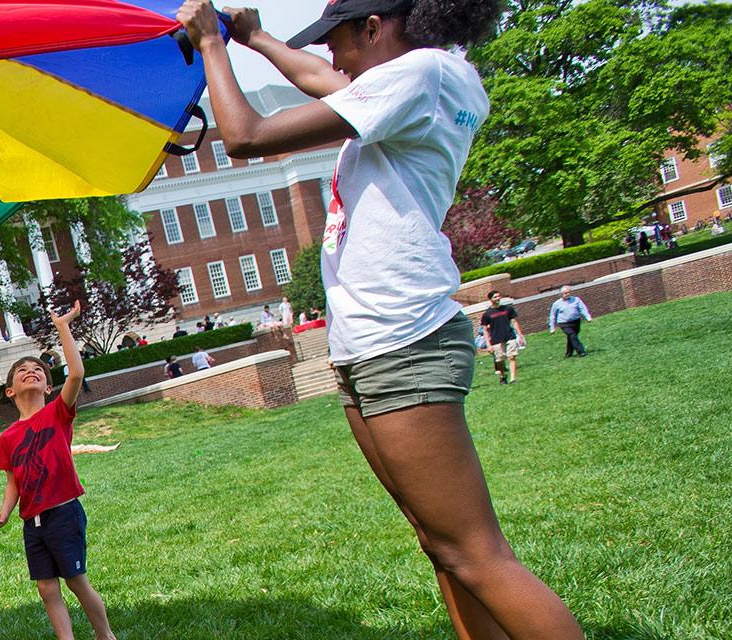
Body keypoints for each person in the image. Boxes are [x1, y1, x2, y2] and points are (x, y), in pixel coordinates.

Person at [176, 1, 584, 637]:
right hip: (374, 341)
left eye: (339, 40)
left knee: (476, 552)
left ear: (376, 26)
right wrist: (256, 37)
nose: (334, 57)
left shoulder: (420, 73)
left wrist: (212, 46)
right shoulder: (433, 79)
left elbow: (245, 136)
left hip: (402, 338)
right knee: (441, 544)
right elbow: (321, 78)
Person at [0, 302, 116, 640]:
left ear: (48, 387)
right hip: (33, 521)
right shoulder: (7, 437)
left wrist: (62, 327)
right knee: (46, 588)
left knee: (75, 581)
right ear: (10, 391)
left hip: (63, 513)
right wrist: (3, 513)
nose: (31, 371)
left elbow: (75, 374)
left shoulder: (58, 412)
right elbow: (13, 482)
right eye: (22, 371)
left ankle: (105, 635)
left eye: (39, 370)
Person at [479, 291, 523, 384]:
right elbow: (485, 330)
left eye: (499, 296)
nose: (498, 298)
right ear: (490, 299)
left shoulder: (507, 309)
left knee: (512, 357)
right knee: (499, 361)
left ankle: (513, 379)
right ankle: (503, 375)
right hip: (496, 339)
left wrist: (520, 335)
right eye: (495, 297)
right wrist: (488, 344)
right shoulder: (487, 314)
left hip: (510, 336)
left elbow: (514, 322)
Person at [547, 286, 592, 358]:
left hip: (576, 321)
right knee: (572, 335)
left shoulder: (576, 299)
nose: (567, 294)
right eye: (565, 293)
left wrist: (588, 317)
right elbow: (552, 316)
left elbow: (582, 308)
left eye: (568, 292)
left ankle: (568, 353)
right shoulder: (556, 304)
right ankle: (581, 352)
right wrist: (552, 328)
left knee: (572, 337)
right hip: (564, 323)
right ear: (561, 294)